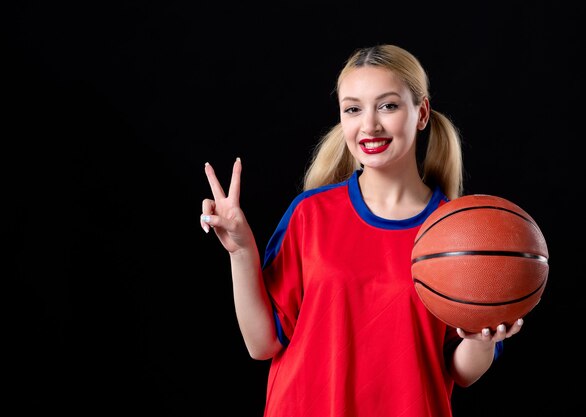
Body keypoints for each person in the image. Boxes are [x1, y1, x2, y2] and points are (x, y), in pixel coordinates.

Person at [199, 43, 523, 417]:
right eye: (353, 109)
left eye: (388, 105)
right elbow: (261, 344)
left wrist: (481, 339)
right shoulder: (311, 214)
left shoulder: (462, 235)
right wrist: (241, 251)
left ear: (421, 113)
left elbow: (460, 372)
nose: (369, 124)